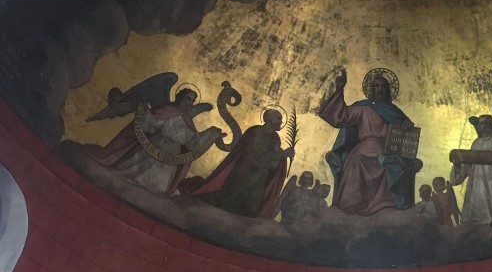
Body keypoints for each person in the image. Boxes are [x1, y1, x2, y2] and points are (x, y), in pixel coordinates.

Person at [318, 68, 422, 215]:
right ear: (372, 89)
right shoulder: (363, 108)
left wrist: (407, 126)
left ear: (388, 90)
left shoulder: (395, 112)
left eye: (383, 86)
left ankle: (386, 207)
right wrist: (339, 90)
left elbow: (406, 129)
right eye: (377, 86)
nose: (380, 89)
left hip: (386, 151)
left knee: (393, 164)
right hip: (363, 149)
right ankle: (350, 207)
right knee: (354, 161)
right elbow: (341, 116)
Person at [85, 88, 223, 195]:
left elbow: (193, 142)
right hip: (153, 146)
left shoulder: (188, 120)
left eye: (193, 100)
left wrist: (211, 133)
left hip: (171, 156)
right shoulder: (167, 110)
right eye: (188, 99)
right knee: (131, 174)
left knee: (156, 187)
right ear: (180, 97)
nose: (190, 103)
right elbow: (151, 124)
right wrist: (144, 110)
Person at [179, 109, 294, 218]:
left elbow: (273, 158)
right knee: (229, 202)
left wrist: (281, 157)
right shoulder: (257, 132)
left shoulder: (274, 138)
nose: (281, 121)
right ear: (269, 119)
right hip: (247, 175)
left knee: (252, 211)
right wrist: (282, 154)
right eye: (278, 118)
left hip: (260, 178)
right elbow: (258, 155)